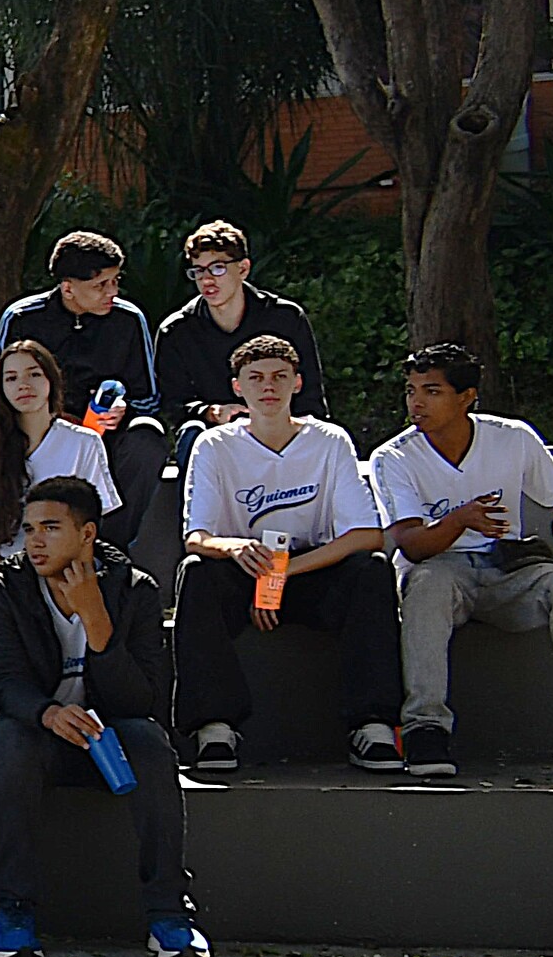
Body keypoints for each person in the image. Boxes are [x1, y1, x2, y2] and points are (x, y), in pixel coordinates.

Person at [371, 341, 553, 780]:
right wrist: (462, 519)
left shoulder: (512, 438)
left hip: (509, 569)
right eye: (412, 390)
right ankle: (425, 728)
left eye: (432, 391)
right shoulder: (394, 456)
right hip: (441, 574)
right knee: (427, 582)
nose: (417, 402)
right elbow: (412, 546)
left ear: (466, 397)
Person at [0, 474, 206, 957]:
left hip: (108, 733)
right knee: (11, 743)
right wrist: (48, 713)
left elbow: (139, 698)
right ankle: (13, 911)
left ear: (87, 535)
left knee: (150, 743)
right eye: (30, 528)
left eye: (51, 528)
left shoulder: (134, 589)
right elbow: (5, 682)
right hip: (35, 728)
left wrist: (96, 619)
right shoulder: (2, 589)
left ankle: (169, 915)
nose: (35, 540)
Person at [174, 332, 405, 777]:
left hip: (311, 568)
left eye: (280, 377)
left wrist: (282, 576)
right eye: (256, 377)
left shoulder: (328, 440)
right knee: (197, 573)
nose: (269, 387)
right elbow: (197, 536)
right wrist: (236, 548)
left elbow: (366, 534)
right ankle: (214, 727)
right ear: (237, 387)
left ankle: (373, 724)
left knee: (372, 571)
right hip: (246, 569)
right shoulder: (214, 445)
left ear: (297, 384)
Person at [0, 232, 167, 538]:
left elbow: (149, 396)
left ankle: (111, 542)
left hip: (109, 431)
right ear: (68, 288)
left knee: (148, 439)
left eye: (115, 281)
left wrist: (125, 409)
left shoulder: (129, 319)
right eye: (101, 285)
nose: (113, 291)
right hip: (39, 428)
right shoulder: (22, 318)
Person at [153, 220, 323, 433]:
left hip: (282, 427)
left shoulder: (285, 318)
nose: (206, 280)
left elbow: (310, 394)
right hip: (215, 434)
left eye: (217, 268)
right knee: (192, 432)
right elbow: (173, 405)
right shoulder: (176, 330)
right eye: (198, 271)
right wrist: (212, 412)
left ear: (243, 269)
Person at [0, 338, 115, 573]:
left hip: (68, 571)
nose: (23, 385)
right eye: (11, 378)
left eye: (34, 375)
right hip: (4, 574)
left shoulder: (84, 442)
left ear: (51, 380)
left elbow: (94, 523)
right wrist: (7, 576)